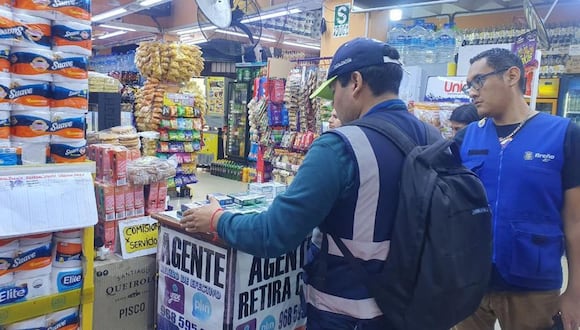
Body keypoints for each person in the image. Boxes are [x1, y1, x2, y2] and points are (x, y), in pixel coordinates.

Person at [180, 38, 439, 330]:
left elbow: (273, 234)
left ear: (355, 82)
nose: (333, 105)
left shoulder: (340, 147)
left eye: (334, 92)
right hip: (414, 307)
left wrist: (216, 219)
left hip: (347, 312)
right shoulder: (432, 138)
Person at [454, 48, 580, 330]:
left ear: (512, 75)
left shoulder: (563, 135)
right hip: (470, 281)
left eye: (478, 81)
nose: (471, 92)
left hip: (533, 285)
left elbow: (575, 221)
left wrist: (575, 291)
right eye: (468, 85)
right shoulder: (466, 137)